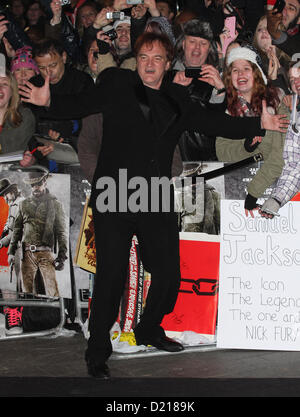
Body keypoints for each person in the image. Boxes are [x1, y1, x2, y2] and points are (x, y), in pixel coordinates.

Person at [18, 32, 289, 379]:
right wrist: (49, 102)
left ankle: (148, 329)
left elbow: (213, 122)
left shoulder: (178, 98)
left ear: (167, 63)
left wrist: (259, 123)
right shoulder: (118, 83)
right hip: (114, 194)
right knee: (111, 277)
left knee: (169, 275)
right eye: (144, 57)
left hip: (154, 196)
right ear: (137, 60)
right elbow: (83, 102)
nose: (149, 64)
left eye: (157, 58)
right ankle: (97, 350)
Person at [215, 45, 287, 217]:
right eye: (235, 70)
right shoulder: (227, 112)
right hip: (240, 191)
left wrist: (253, 192)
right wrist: (246, 148)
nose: (240, 74)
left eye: (246, 68)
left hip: (277, 193)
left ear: (256, 73)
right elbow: (222, 153)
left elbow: (280, 157)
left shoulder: (276, 105)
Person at [172, 18, 226, 161]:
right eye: (192, 42)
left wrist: (220, 90)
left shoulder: (214, 80)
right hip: (169, 158)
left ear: (209, 49)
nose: (197, 48)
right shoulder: (164, 74)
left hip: (202, 161)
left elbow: (218, 125)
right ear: (183, 44)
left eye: (203, 44)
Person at [7, 171, 68, 297]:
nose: (36, 187)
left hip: (45, 252)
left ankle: (56, 315)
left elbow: (61, 231)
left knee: (52, 291)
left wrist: (62, 255)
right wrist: (12, 252)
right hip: (27, 253)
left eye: (38, 184)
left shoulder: (55, 205)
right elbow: (17, 230)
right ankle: (28, 316)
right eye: (33, 185)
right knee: (27, 292)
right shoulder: (23, 205)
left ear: (44, 182)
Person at [260, 61, 300, 218]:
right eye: (292, 79)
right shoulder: (295, 118)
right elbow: (295, 165)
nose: (296, 82)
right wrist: (276, 199)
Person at [0, 178, 24, 335]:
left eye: (5, 195)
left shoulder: (18, 203)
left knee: (12, 274)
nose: (4, 197)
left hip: (20, 246)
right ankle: (12, 310)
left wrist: (2, 241)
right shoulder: (12, 204)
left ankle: (14, 311)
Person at [0, 69, 35, 156]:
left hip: (12, 168)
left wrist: (29, 159)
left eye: (4, 84)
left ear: (12, 91)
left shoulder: (23, 117)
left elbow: (19, 152)